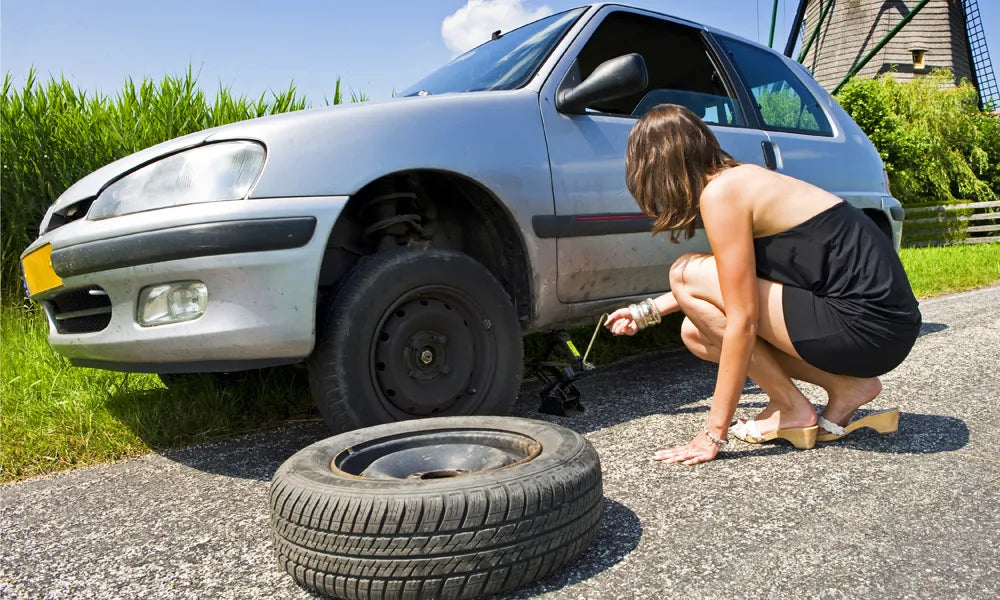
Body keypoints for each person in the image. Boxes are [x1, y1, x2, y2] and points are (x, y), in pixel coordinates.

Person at [605, 104, 921, 465]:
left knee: (684, 272)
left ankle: (791, 408)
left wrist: (712, 434)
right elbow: (725, 282)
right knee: (695, 332)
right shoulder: (742, 180)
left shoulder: (722, 194)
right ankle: (846, 387)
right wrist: (644, 312)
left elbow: (742, 318)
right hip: (883, 328)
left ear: (657, 169)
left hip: (865, 325)